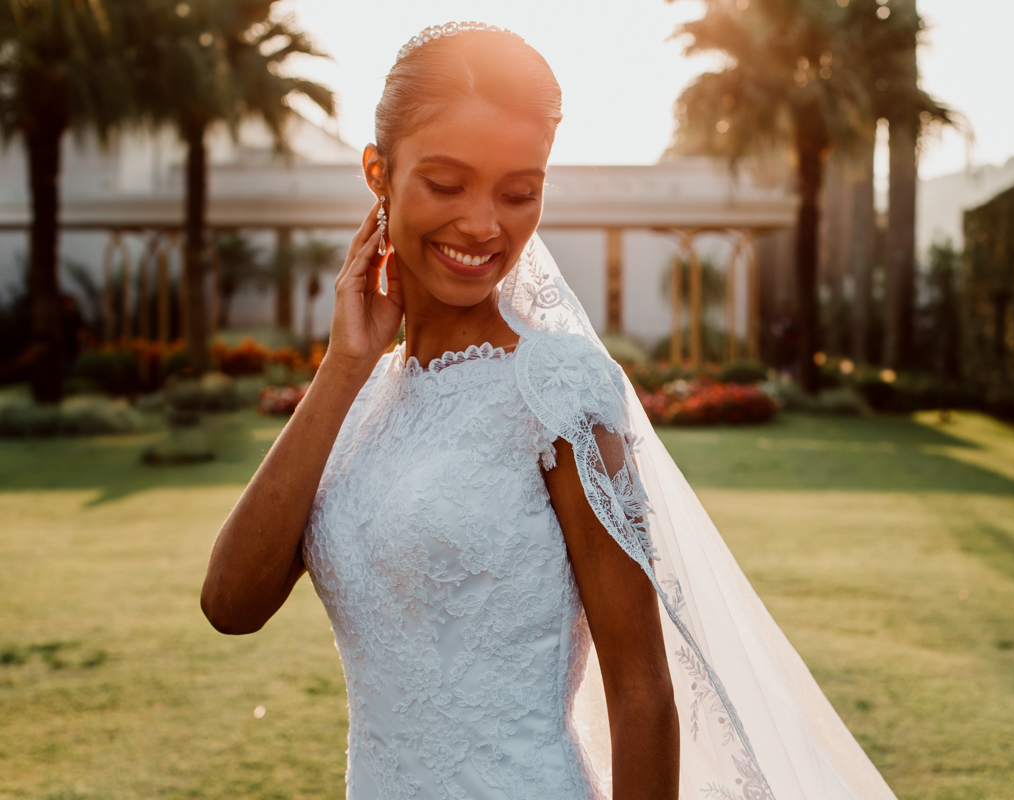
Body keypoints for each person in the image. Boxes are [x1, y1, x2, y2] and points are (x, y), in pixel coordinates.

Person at [202, 22, 898, 800]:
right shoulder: (357, 400)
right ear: (378, 172)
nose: (482, 224)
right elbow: (231, 603)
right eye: (445, 183)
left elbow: (643, 693)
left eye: (518, 192)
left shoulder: (558, 389)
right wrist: (343, 366)